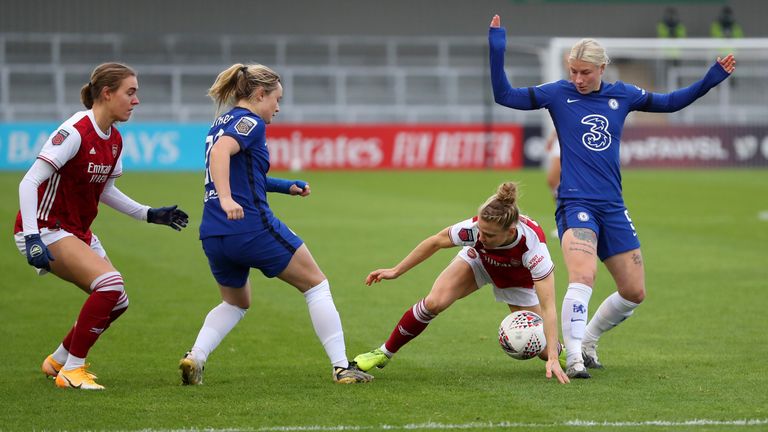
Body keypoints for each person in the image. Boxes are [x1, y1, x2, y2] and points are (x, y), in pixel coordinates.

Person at [489, 14, 735, 378]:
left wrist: (711, 79)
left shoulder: (623, 94)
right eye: (573, 71)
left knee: (634, 292)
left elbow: (670, 103)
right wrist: (497, 46)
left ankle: (586, 340)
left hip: (612, 206)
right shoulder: (558, 93)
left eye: (585, 72)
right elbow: (504, 95)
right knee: (583, 277)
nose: (577, 79)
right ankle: (572, 358)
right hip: (576, 204)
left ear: (602, 68)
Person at [179, 63, 372, 385]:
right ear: (259, 94)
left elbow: (246, 174)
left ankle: (195, 357)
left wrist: (286, 186)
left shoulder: (219, 124)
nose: (278, 107)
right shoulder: (249, 121)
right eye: (276, 99)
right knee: (316, 285)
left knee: (235, 301)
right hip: (248, 226)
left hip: (214, 233)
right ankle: (341, 367)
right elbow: (221, 157)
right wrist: (227, 199)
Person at [14, 62, 189, 390]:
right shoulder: (75, 131)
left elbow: (105, 190)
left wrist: (149, 214)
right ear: (107, 94)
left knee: (118, 299)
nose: (136, 100)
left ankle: (58, 361)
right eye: (130, 92)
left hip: (75, 230)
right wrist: (33, 237)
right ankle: (73, 372)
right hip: (44, 227)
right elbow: (29, 181)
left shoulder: (115, 139)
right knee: (109, 284)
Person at [354, 182, 570, 385]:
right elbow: (436, 241)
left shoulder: (533, 247)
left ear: (510, 232)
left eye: (489, 235)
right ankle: (384, 352)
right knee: (434, 302)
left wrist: (551, 355)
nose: (481, 236)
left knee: (541, 347)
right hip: (479, 262)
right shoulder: (475, 229)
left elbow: (548, 307)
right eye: (481, 230)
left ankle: (572, 355)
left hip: (517, 280)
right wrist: (396, 271)